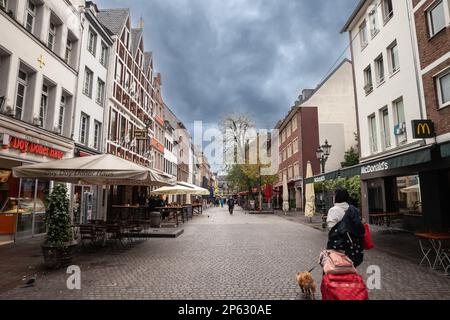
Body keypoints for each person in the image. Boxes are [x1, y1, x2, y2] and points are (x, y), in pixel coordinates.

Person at [326, 188, 365, 268]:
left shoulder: (333, 210)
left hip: (338, 248)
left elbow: (331, 229)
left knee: (337, 272)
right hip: (353, 248)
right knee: (350, 271)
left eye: (334, 196)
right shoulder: (354, 210)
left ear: (336, 197)